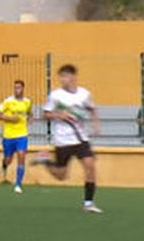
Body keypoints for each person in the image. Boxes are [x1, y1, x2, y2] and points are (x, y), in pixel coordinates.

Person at [34, 64, 104, 214]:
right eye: (61, 77)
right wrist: (58, 115)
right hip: (63, 140)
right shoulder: (55, 95)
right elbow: (45, 114)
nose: (62, 79)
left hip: (80, 139)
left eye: (65, 76)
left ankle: (88, 203)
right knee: (61, 176)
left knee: (90, 166)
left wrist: (96, 125)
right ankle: (44, 160)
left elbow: (92, 109)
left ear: (73, 77)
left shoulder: (84, 94)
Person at [0, 79, 33, 194]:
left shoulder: (27, 102)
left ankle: (18, 184)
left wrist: (30, 120)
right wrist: (9, 119)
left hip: (21, 135)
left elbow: (30, 114)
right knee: (8, 159)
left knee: (21, 156)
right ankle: (4, 165)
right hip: (8, 135)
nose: (17, 90)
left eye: (19, 88)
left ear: (23, 89)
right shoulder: (8, 101)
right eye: (15, 88)